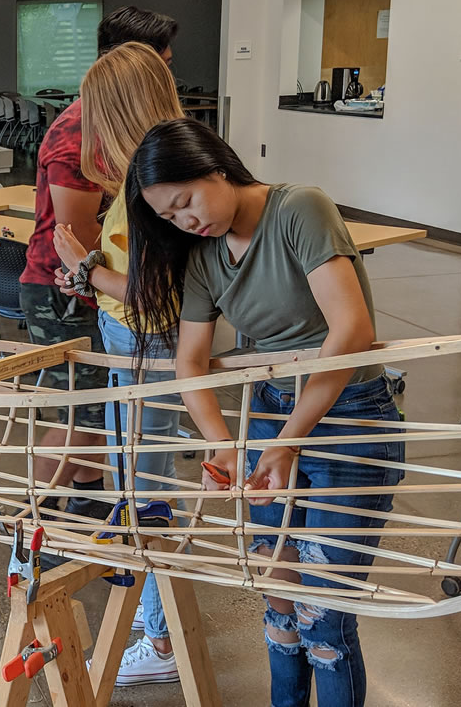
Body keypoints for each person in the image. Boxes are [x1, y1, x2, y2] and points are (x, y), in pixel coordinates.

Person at [122, 117, 402, 707]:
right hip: (273, 414)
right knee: (278, 601)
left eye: (187, 201)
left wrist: (288, 441)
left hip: (350, 413)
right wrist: (223, 443)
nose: (187, 221)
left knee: (323, 615)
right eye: (170, 217)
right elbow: (190, 361)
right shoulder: (203, 256)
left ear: (216, 167)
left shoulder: (300, 209)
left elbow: (352, 330)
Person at [47, 43, 186, 686]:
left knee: (143, 494)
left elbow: (151, 294)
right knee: (136, 482)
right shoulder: (162, 167)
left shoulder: (150, 185)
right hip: (141, 344)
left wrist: (83, 266)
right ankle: (150, 625)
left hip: (145, 344)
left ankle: (157, 640)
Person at [17, 5, 179, 517]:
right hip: (65, 289)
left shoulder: (120, 125)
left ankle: (87, 512)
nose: (170, 74)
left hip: (95, 283)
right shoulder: (79, 133)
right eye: (163, 64)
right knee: (80, 418)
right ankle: (26, 524)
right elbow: (76, 237)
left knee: (92, 412)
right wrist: (100, 283)